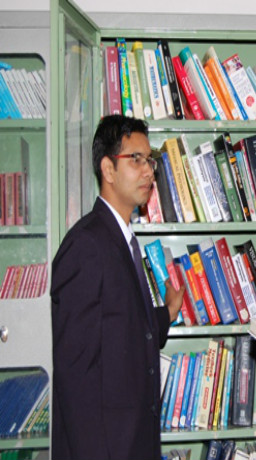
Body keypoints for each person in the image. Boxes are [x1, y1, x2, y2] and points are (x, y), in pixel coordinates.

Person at [51, 115, 185, 460]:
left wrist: (168, 313)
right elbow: (75, 375)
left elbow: (122, 328)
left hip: (132, 442)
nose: (148, 171)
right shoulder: (86, 245)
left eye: (149, 160)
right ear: (108, 169)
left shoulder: (120, 238)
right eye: (135, 159)